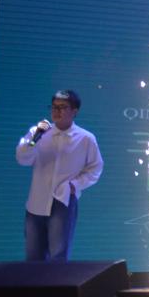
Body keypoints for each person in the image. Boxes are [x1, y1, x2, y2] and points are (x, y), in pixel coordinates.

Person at [15, 89, 103, 261]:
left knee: (58, 257)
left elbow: (95, 168)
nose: (56, 111)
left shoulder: (85, 138)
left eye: (62, 107)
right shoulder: (38, 132)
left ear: (74, 111)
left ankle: (56, 281)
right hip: (36, 202)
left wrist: (74, 185)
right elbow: (22, 159)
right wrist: (34, 140)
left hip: (63, 202)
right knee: (33, 258)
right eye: (54, 107)